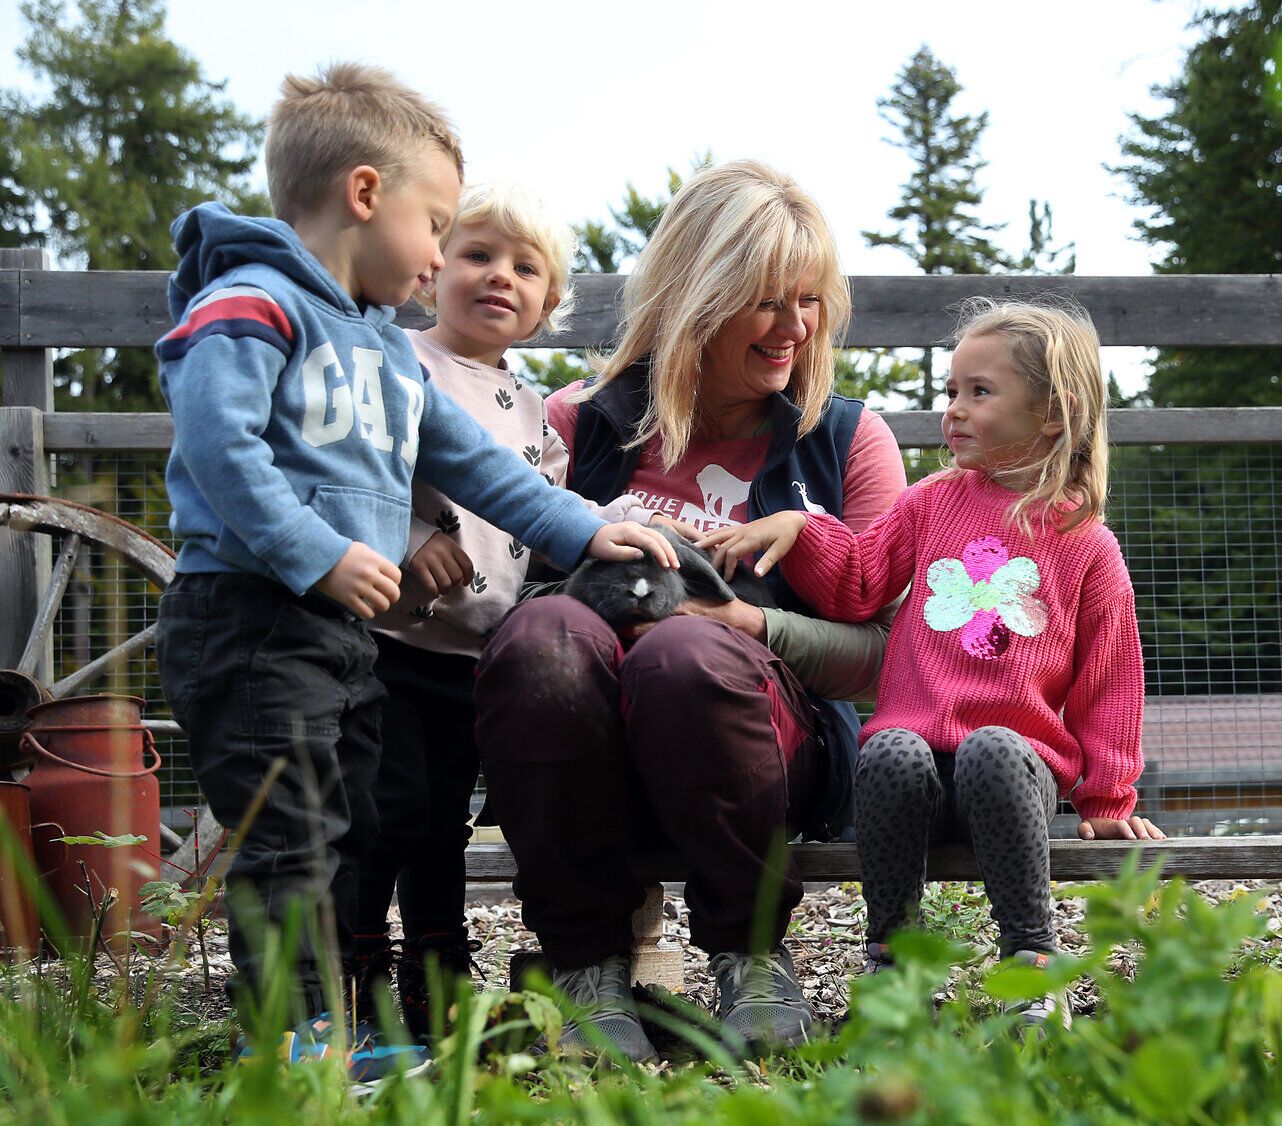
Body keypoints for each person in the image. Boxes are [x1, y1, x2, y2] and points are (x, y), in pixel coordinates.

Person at [152, 64, 674, 1085]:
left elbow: (477, 464)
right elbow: (218, 446)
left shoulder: (384, 352)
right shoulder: (249, 304)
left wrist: (582, 531)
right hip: (250, 616)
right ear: (364, 194)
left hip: (335, 633)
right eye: (436, 224)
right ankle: (287, 1046)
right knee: (290, 833)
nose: (438, 254)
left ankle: (328, 1031)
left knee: (346, 825)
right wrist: (315, 550)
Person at [473, 160, 908, 1059]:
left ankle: (753, 955)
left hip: (763, 752)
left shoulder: (845, 440)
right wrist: (609, 605)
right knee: (546, 641)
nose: (796, 328)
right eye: (766, 302)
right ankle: (583, 966)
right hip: (586, 748)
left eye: (810, 301)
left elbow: (891, 654)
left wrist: (754, 626)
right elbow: (498, 598)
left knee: (686, 660)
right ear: (694, 298)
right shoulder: (575, 423)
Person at [702, 299, 1166, 1033]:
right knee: (886, 746)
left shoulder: (1086, 543)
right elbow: (860, 583)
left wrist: (1107, 800)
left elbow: (1109, 679)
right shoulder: (931, 503)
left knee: (994, 747)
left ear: (1053, 414)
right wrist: (803, 525)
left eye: (979, 392)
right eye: (951, 391)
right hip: (912, 769)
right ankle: (895, 965)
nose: (953, 409)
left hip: (1013, 773)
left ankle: (1031, 962)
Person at [343, 181, 582, 1037]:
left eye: (526, 268)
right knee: (383, 807)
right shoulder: (398, 362)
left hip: (471, 654)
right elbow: (350, 466)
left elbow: (548, 511)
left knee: (442, 818)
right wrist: (406, 536)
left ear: (547, 303)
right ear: (433, 269)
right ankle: (355, 965)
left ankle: (435, 966)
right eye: (478, 255)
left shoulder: (535, 409)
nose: (499, 277)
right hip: (386, 634)